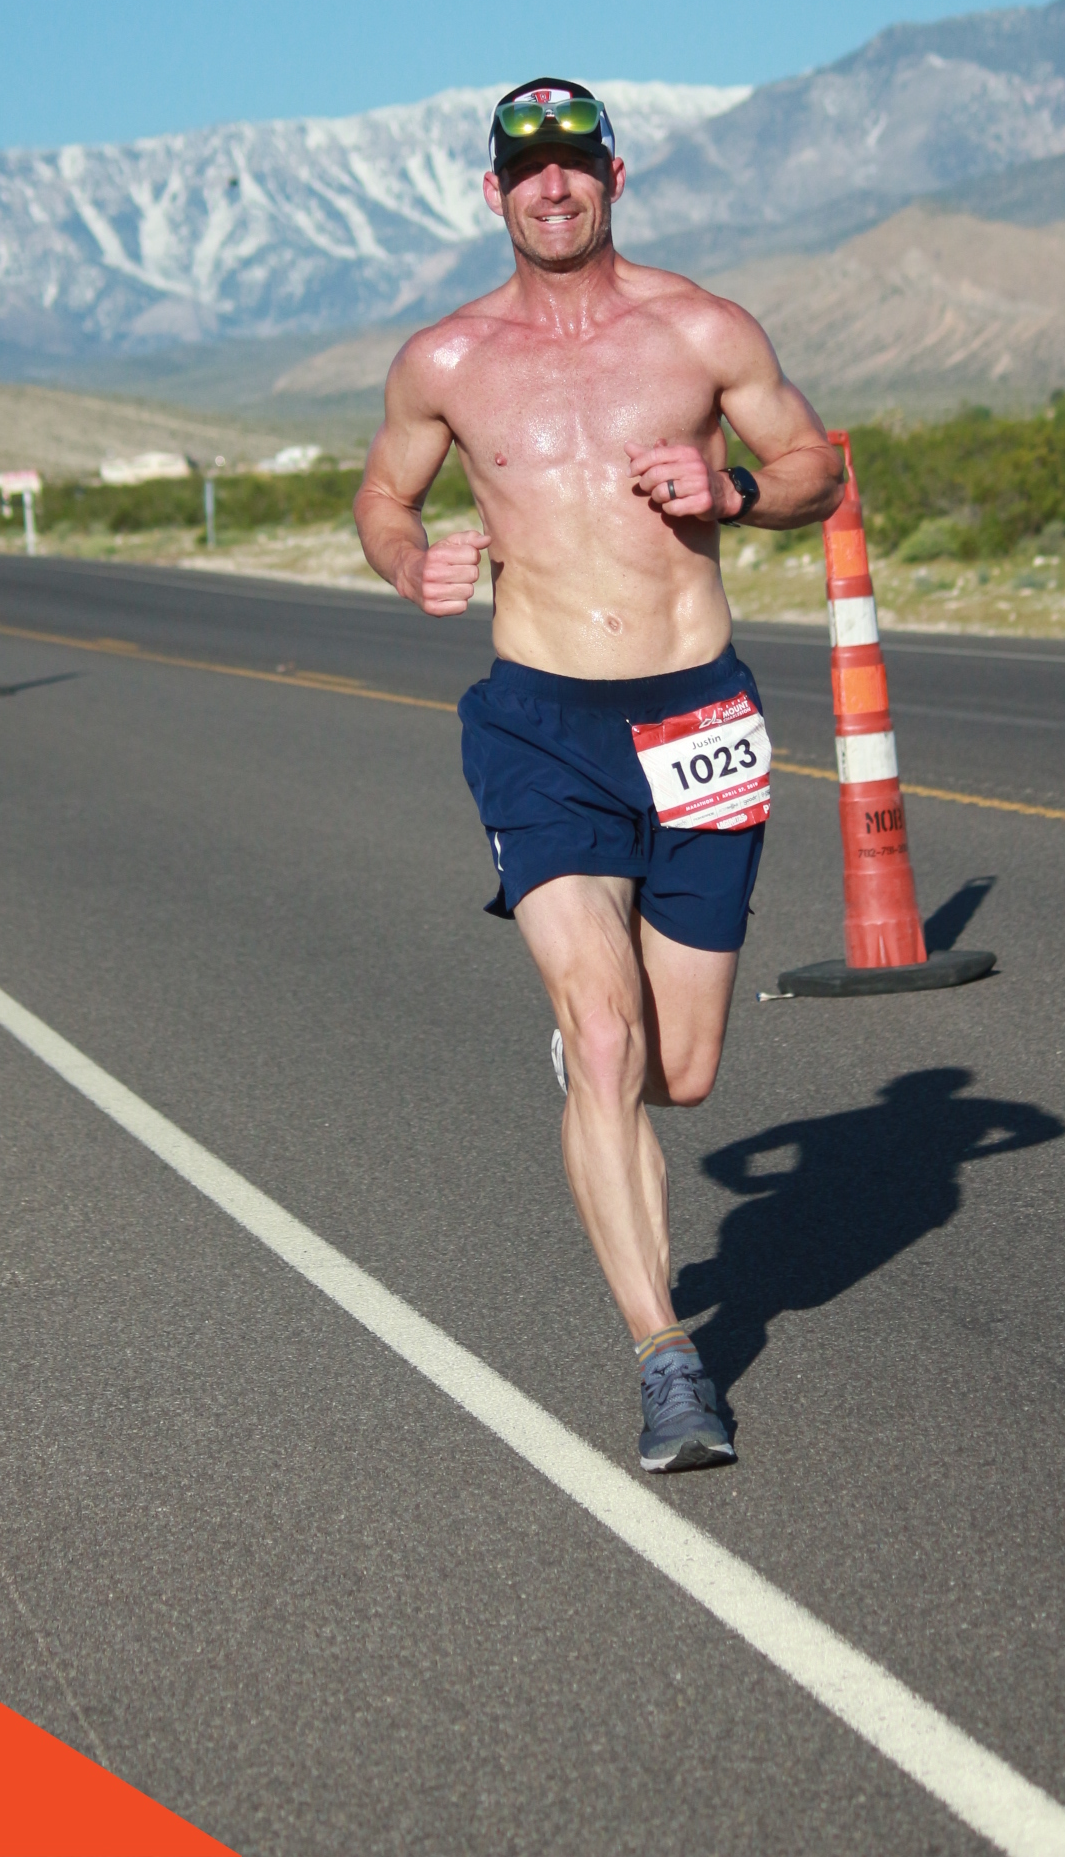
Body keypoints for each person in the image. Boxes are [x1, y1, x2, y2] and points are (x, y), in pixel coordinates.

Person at [355, 79, 846, 1471]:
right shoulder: (446, 361)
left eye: (575, 163)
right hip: (538, 725)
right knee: (609, 1034)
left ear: (614, 177)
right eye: (528, 171)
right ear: (494, 192)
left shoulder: (701, 331)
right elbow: (385, 498)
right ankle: (666, 1357)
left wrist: (735, 492)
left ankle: (599, 1059)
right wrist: (411, 561)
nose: (552, 188)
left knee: (678, 1071)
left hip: (698, 717)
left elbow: (812, 467)